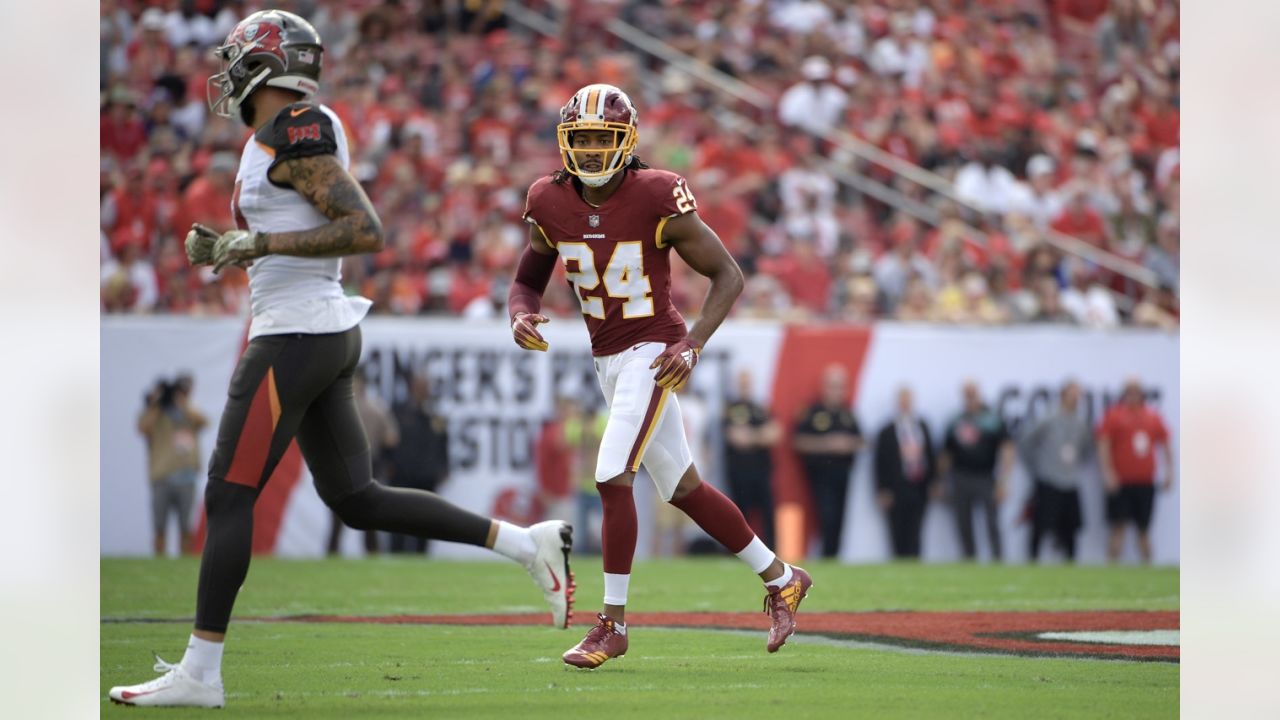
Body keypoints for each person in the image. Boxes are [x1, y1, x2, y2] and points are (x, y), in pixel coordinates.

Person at [110, 12, 573, 708]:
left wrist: (256, 247)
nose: (229, 73)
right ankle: (522, 543)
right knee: (356, 500)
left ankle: (201, 672)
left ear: (267, 64)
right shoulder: (274, 137)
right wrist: (236, 249)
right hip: (312, 329)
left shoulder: (293, 126)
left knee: (228, 496)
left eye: (240, 58)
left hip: (296, 335)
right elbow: (299, 227)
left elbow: (363, 228)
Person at [508, 83, 811, 669]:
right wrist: (520, 313)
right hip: (608, 360)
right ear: (565, 141)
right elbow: (527, 278)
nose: (593, 151)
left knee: (610, 472)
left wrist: (692, 345)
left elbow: (728, 275)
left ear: (627, 141)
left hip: (654, 349)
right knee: (683, 489)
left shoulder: (654, 194)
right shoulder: (547, 198)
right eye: (584, 139)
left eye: (604, 138)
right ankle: (782, 577)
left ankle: (612, 624)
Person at [1096, 378, 1174, 563]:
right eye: (1129, 392)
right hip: (1121, 481)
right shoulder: (1114, 415)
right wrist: (1107, 472)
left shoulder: (1152, 416)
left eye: (1136, 392)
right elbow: (1103, 444)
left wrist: (1169, 471)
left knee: (1144, 528)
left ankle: (1148, 567)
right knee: (1118, 526)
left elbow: (1165, 444)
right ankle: (1112, 566)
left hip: (1145, 481)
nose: (1133, 396)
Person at [794, 365, 864, 559]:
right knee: (827, 517)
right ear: (824, 387)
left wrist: (848, 444)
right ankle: (826, 555)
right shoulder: (812, 412)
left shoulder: (847, 413)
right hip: (821, 474)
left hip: (843, 473)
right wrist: (828, 443)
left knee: (840, 519)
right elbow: (799, 441)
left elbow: (861, 440)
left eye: (841, 386)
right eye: (833, 386)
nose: (837, 391)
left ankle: (835, 557)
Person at [1019, 381, 1094, 562]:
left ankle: (1071, 562)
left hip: (1070, 479)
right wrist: (1037, 467)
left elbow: (1086, 449)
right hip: (1048, 478)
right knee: (1040, 524)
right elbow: (1027, 442)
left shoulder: (1080, 422)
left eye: (1078, 394)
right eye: (1072, 393)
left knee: (1071, 527)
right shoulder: (1048, 417)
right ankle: (1032, 560)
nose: (1075, 398)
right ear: (1063, 395)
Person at [326, 368, 398, 556]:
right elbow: (391, 438)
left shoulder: (341, 406)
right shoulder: (377, 407)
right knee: (364, 513)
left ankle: (336, 552)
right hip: (365, 463)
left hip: (349, 463)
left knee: (345, 513)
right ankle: (369, 552)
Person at [941, 381, 1015, 561]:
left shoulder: (992, 419)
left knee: (992, 522)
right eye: (967, 393)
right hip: (960, 476)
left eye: (973, 393)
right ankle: (969, 560)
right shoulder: (956, 420)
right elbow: (946, 453)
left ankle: (998, 559)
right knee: (963, 524)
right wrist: (942, 481)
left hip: (985, 477)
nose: (970, 397)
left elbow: (1007, 449)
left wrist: (1003, 481)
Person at [137, 374, 207, 556]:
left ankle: (185, 562)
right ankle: (160, 561)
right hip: (162, 476)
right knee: (159, 526)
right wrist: (156, 404)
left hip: (186, 477)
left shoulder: (187, 411)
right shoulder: (156, 413)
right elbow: (143, 428)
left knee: (186, 526)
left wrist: (181, 402)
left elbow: (203, 421)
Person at [386, 374, 450, 554]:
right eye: (420, 386)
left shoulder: (435, 415)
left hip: (426, 477)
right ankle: (396, 553)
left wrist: (444, 469)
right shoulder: (398, 411)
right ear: (412, 387)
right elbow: (389, 442)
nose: (424, 390)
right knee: (399, 520)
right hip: (402, 476)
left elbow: (443, 444)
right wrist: (389, 465)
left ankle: (422, 555)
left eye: (426, 387)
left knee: (426, 520)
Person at [873, 386, 937, 559]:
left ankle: (915, 563)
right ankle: (899, 562)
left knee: (916, 529)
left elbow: (931, 455)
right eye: (902, 401)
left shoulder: (922, 426)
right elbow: (880, 462)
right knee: (898, 529)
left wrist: (933, 482)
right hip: (896, 487)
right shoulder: (887, 431)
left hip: (919, 486)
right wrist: (882, 489)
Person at [723, 369, 781, 548]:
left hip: (762, 471)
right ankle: (739, 551)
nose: (745, 387)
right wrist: (760, 436)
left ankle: (772, 551)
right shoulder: (730, 409)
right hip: (739, 472)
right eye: (742, 383)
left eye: (747, 383)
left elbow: (775, 434)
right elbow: (736, 438)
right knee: (740, 515)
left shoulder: (760, 408)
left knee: (768, 513)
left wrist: (751, 436)